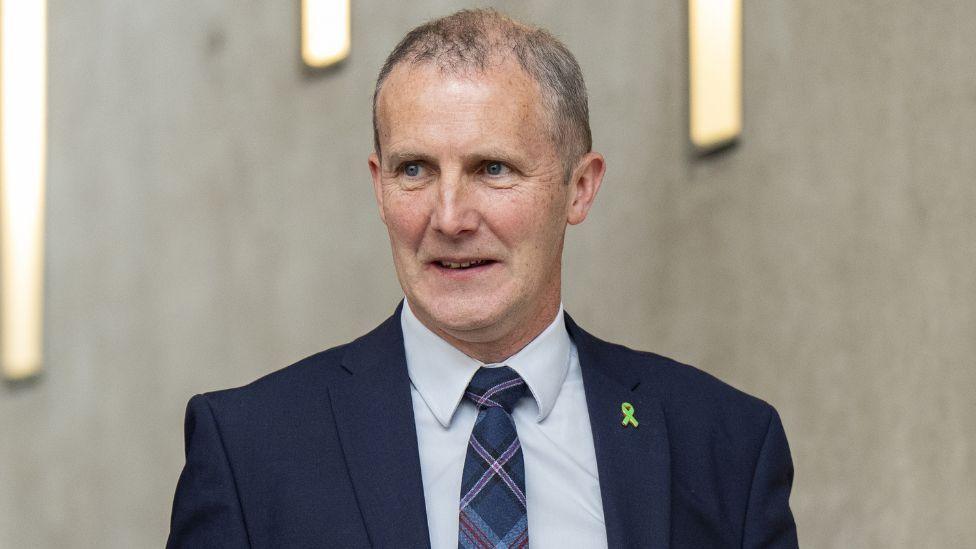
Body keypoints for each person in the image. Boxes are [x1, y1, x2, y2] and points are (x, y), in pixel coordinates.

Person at [167, 9, 798, 548]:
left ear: (580, 189)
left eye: (492, 168)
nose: (449, 217)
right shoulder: (250, 451)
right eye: (413, 169)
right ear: (378, 188)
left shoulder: (725, 445)